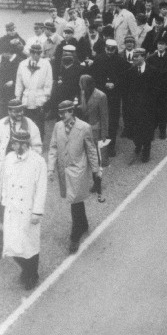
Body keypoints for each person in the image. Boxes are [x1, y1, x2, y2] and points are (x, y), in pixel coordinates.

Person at [48, 99, 100, 253]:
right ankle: (83, 224)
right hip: (64, 169)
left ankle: (75, 233)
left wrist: (96, 169)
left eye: (63, 112)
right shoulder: (58, 127)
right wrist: (50, 169)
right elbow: (53, 147)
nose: (61, 115)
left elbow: (91, 149)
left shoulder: (84, 127)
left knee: (74, 199)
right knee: (75, 200)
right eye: (59, 113)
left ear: (71, 111)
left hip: (78, 169)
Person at [1, 128, 47, 290]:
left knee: (29, 246)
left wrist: (37, 211)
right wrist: (3, 204)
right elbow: (4, 183)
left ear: (26, 144)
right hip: (12, 209)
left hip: (28, 210)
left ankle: (32, 274)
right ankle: (26, 269)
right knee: (12, 246)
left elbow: (41, 188)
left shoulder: (38, 161)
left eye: (20, 143)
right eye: (14, 143)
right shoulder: (8, 158)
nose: (17, 146)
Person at [123, 48, 158, 162]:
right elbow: (127, 89)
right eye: (134, 56)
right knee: (136, 129)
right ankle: (138, 144)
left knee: (147, 130)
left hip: (147, 107)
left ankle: (146, 152)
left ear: (143, 57)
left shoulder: (152, 71)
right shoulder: (131, 72)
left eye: (137, 56)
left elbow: (155, 89)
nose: (135, 58)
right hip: (134, 107)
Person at [78, 75, 108, 202]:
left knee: (96, 159)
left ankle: (97, 183)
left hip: (95, 131)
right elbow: (84, 109)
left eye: (82, 83)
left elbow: (104, 116)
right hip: (84, 129)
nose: (80, 86)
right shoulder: (83, 93)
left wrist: (104, 135)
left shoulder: (101, 96)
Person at [15, 43, 53, 139]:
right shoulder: (23, 64)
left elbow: (48, 81)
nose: (35, 55)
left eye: (38, 53)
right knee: (26, 123)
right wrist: (17, 97)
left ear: (40, 54)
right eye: (33, 52)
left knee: (39, 124)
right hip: (26, 98)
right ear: (30, 52)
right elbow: (19, 82)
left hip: (39, 97)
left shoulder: (46, 64)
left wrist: (45, 97)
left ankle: (39, 143)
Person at [147, 38, 167, 138]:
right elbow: (147, 73)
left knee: (164, 110)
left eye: (163, 44)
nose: (160, 46)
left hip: (165, 89)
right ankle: (152, 128)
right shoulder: (151, 58)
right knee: (153, 109)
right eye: (159, 44)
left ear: (166, 46)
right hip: (154, 89)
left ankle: (162, 130)